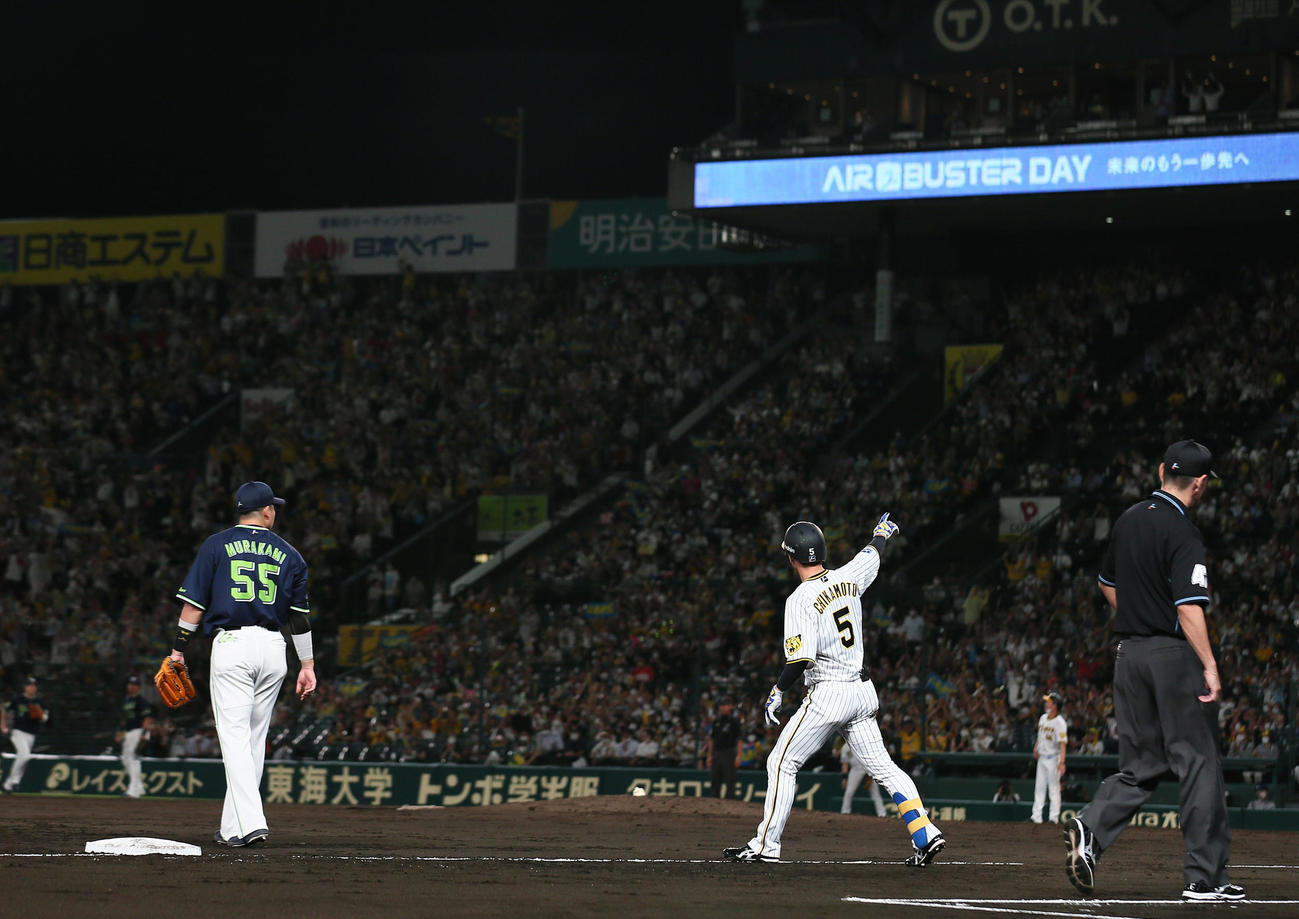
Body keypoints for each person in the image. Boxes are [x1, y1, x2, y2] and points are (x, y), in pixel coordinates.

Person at [1065, 441, 1243, 902]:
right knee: (1199, 764)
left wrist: (1139, 616)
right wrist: (1210, 666)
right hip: (1169, 657)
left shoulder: (1128, 519)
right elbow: (1188, 607)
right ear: (1200, 484)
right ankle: (1205, 878)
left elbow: (1107, 585)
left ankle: (1092, 826)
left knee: (1141, 765)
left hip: (1129, 656)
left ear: (1163, 470)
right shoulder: (1184, 532)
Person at [725, 516, 946, 866]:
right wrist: (881, 533)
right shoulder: (848, 575)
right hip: (861, 691)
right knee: (885, 768)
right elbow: (871, 553)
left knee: (782, 762)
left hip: (829, 693)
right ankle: (925, 832)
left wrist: (777, 690)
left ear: (791, 558)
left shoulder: (800, 599)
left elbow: (799, 659)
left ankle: (766, 845)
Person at [172, 481, 316, 847]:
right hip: (273, 645)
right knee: (253, 739)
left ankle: (252, 822)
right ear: (266, 511)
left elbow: (193, 607)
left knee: (234, 738)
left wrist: (178, 650)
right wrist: (308, 665)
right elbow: (299, 617)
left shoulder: (216, 544)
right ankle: (233, 827)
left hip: (233, 644)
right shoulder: (291, 555)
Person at [3, 677, 50, 793]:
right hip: (17, 731)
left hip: (31, 733)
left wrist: (42, 716)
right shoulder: (18, 699)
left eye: (34, 685)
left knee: (23, 757)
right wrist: (3, 725)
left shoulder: (39, 701)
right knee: (25, 756)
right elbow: (4, 710)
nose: (32, 687)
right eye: (30, 685)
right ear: (25, 687)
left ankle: (12, 784)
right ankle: (11, 783)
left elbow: (45, 718)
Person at [1031, 691, 1068, 824]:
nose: (1046, 703)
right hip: (1042, 757)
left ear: (1055, 705)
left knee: (1054, 789)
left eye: (1049, 702)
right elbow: (1040, 736)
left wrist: (1062, 762)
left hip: (1054, 758)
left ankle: (1053, 818)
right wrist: (1036, 747)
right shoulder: (1043, 718)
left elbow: (1062, 744)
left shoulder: (1060, 723)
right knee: (1039, 787)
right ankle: (1036, 816)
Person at [119, 674, 153, 799]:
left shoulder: (141, 700)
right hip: (128, 732)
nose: (131, 686)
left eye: (134, 685)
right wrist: (120, 731)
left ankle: (133, 791)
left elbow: (147, 718)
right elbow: (124, 718)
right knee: (126, 759)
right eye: (130, 684)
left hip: (138, 731)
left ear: (138, 687)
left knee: (133, 759)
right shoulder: (127, 699)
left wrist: (145, 734)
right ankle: (139, 787)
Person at [839, 737, 887, 817]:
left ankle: (882, 814)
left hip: (869, 769)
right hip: (855, 770)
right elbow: (845, 764)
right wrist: (844, 778)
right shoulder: (845, 747)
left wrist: (872, 773)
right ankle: (845, 812)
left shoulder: (864, 743)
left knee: (875, 793)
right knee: (849, 791)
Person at [705, 698, 742, 799]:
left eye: (725, 705)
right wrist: (709, 755)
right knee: (715, 777)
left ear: (730, 707)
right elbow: (711, 739)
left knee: (730, 778)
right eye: (721, 705)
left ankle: (730, 800)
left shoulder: (733, 721)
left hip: (728, 752)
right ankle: (715, 799)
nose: (722, 707)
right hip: (716, 753)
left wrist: (738, 756)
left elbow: (739, 739)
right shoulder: (716, 721)